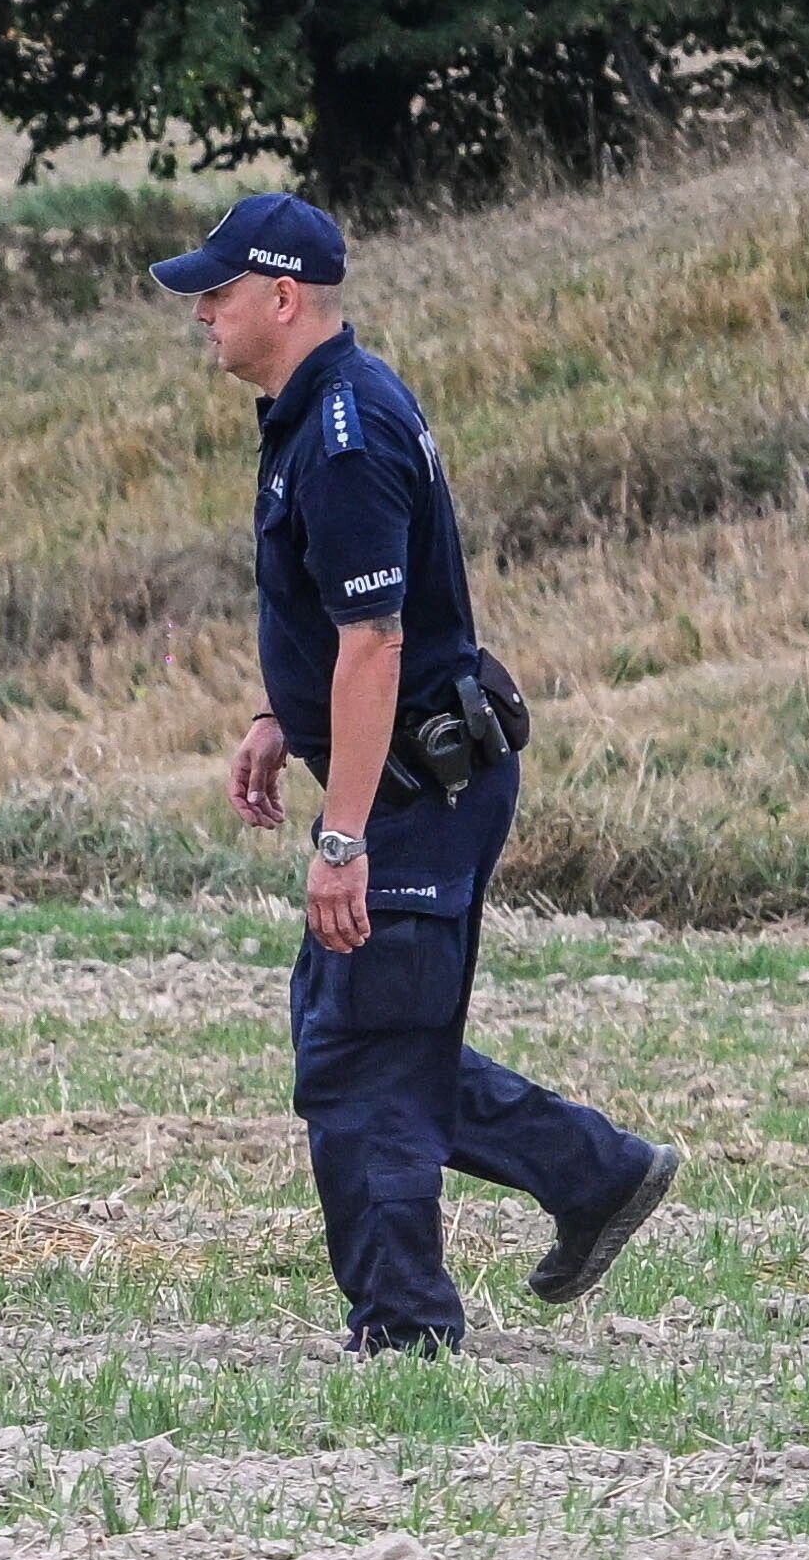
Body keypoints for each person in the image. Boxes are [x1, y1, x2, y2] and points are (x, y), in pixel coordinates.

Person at [175, 190, 676, 1352]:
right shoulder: (315, 412)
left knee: (362, 1059)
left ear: (283, 295)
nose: (201, 310)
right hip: (407, 774)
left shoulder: (345, 435)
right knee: (363, 1034)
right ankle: (592, 1170)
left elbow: (377, 640)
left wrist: (342, 834)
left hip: (414, 790)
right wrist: (273, 717)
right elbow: (327, 618)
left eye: (220, 289)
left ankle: (405, 1331)